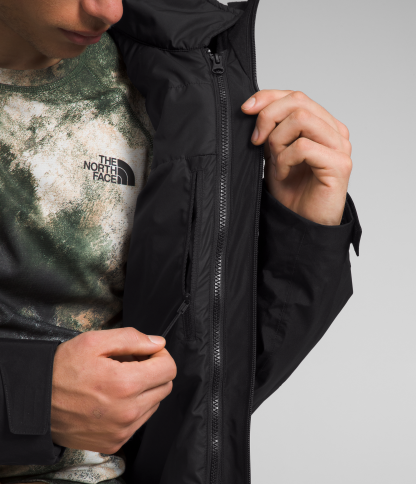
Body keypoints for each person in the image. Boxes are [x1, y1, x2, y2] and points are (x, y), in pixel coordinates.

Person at [0, 0, 360, 483]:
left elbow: (207, 392)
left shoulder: (175, 85)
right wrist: (26, 397)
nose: (109, 9)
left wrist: (301, 236)